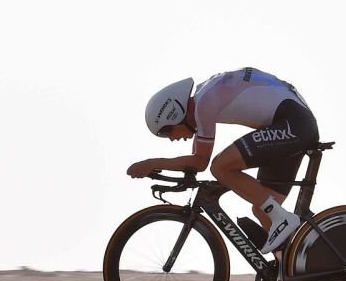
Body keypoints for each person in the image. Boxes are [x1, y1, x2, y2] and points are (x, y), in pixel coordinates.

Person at [128, 67, 319, 255]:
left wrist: (152, 164)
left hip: (293, 123)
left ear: (175, 113)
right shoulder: (203, 98)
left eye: (166, 131)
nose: (170, 138)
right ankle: (289, 265)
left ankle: (282, 218)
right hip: (295, 124)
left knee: (221, 167)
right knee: (263, 210)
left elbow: (200, 162)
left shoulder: (203, 104)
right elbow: (195, 159)